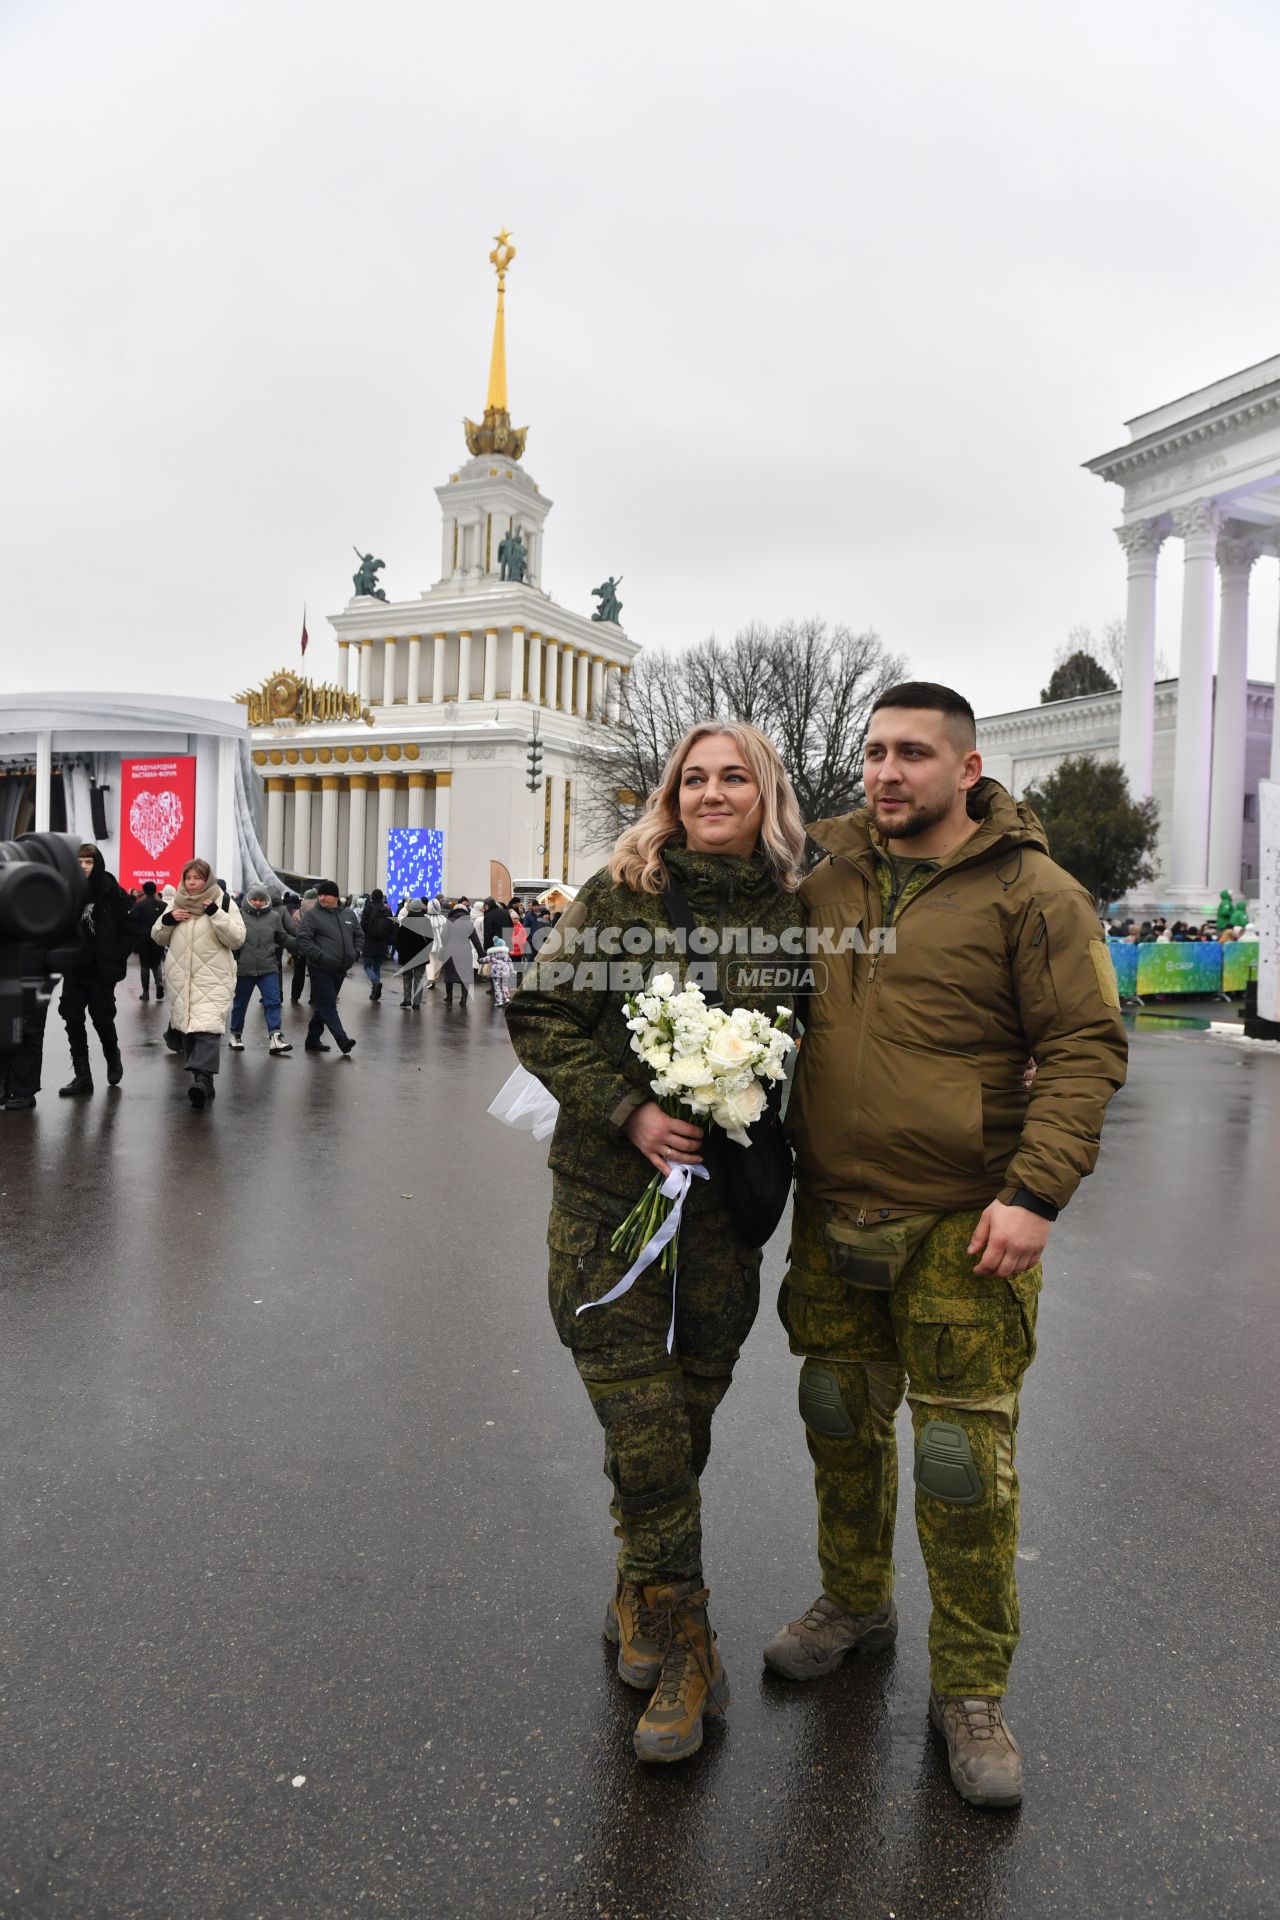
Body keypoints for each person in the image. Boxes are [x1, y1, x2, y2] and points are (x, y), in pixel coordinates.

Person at [767, 681, 1127, 1810]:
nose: (884, 772)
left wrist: (1034, 1193)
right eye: (873, 752)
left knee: (960, 1463)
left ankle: (969, 1687)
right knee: (836, 1416)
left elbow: (1081, 1045)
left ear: (965, 768)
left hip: (964, 1217)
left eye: (911, 754)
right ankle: (853, 1601)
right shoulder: (821, 878)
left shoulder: (1033, 893)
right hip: (831, 1209)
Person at [507, 722, 807, 1767]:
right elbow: (539, 1013)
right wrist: (629, 1111)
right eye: (694, 778)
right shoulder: (621, 894)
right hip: (607, 1216)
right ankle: (688, 1647)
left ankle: (640, 1583)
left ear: (764, 794)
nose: (711, 793)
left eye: (733, 778)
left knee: (681, 1426)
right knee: (640, 1422)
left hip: (724, 1223)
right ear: (670, 795)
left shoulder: (794, 913)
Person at [152, 857, 246, 1108]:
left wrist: (215, 914)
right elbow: (158, 937)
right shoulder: (174, 903)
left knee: (207, 1028)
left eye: (198, 878)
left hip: (214, 977)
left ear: (208, 879)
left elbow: (237, 939)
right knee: (189, 1030)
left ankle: (203, 1079)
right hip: (181, 978)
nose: (192, 883)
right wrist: (169, 919)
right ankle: (203, 1082)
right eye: (188, 878)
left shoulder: (224, 902)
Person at [57, 844, 137, 1098]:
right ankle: (83, 1075)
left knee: (102, 1018)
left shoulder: (112, 892)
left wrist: (115, 957)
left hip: (101, 968)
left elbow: (130, 929)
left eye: (88, 862)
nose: (83, 866)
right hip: (74, 968)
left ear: (97, 863)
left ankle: (112, 1057)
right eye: (79, 861)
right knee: (72, 1019)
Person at [293, 880, 362, 1055]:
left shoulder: (348, 915)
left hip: (341, 969)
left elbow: (359, 935)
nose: (322, 898)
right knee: (329, 1005)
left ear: (336, 897)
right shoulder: (313, 915)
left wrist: (356, 953)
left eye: (326, 894)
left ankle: (312, 1039)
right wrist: (319, 956)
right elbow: (303, 939)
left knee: (323, 1005)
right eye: (320, 895)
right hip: (320, 968)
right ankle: (342, 1040)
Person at [228, 883, 292, 1055]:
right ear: (248, 899)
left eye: (261, 899)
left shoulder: (274, 916)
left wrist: (300, 945)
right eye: (254, 899)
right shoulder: (239, 916)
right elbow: (231, 939)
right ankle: (235, 1034)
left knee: (273, 1001)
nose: (257, 902)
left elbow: (282, 937)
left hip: (268, 967)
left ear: (267, 900)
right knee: (240, 1004)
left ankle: (275, 1037)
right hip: (244, 969)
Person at [440, 900, 483, 1006]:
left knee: (449, 974)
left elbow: (443, 937)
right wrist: (481, 954)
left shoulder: (448, 922)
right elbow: (476, 941)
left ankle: (449, 997)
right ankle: (463, 999)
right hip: (465, 952)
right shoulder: (469, 924)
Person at [394, 900, 434, 1009]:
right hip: (421, 955)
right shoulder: (426, 921)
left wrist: (400, 951)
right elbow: (431, 939)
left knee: (407, 977)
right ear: (421, 907)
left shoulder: (406, 920)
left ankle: (407, 999)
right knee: (418, 978)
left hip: (406, 955)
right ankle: (417, 1002)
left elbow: (399, 939)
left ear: (411, 908)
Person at [359, 888, 394, 1001]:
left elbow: (362, 924)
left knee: (367, 966)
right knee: (377, 967)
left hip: (370, 941)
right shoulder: (387, 909)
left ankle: (375, 984)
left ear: (372, 897)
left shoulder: (368, 908)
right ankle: (375, 992)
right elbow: (391, 926)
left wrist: (367, 933)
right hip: (382, 942)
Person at [285, 889, 318, 1004]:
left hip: (301, 947)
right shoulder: (321, 910)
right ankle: (314, 998)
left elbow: (293, 931)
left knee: (298, 973)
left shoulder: (298, 912)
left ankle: (295, 996)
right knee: (315, 974)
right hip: (316, 948)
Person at [134, 881, 166, 1001]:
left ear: (144, 890)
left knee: (145, 965)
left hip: (143, 938)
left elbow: (134, 920)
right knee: (157, 963)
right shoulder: (163, 905)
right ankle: (158, 984)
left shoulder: (140, 905)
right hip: (158, 936)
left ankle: (146, 993)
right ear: (155, 889)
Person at [487, 935, 516, 1008]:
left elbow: (487, 960)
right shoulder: (506, 954)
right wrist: (512, 970)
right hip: (505, 972)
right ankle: (507, 998)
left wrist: (480, 961)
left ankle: (499, 1001)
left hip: (496, 973)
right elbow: (510, 962)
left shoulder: (493, 954)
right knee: (504, 986)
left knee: (497, 987)